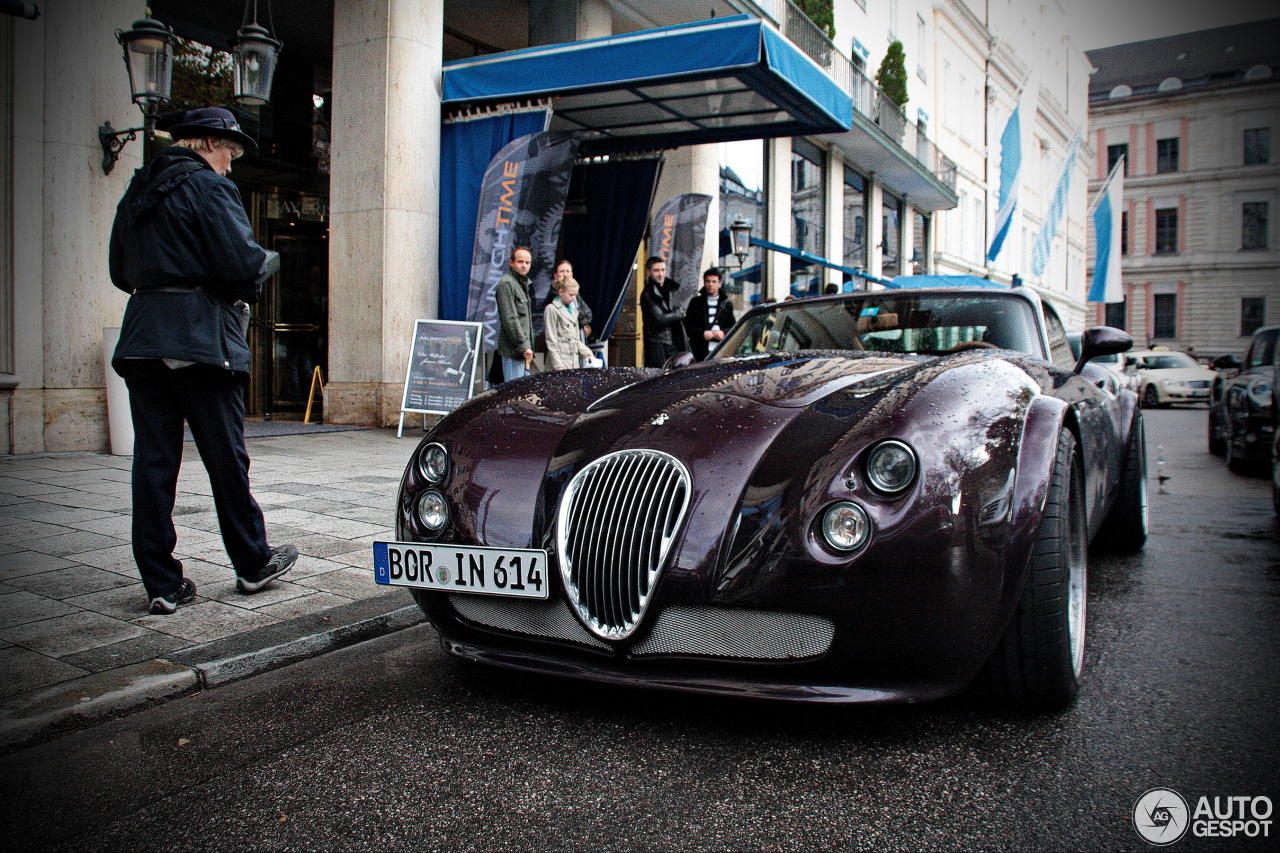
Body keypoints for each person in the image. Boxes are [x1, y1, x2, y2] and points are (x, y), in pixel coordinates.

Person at [108, 106, 297, 615]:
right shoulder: (209, 186)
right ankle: (252, 563)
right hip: (201, 339)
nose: (231, 166)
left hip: (144, 334)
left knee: (152, 462)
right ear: (210, 144)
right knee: (224, 457)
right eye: (230, 155)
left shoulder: (137, 191)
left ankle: (162, 584)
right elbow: (240, 263)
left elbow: (119, 272)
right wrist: (258, 271)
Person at [640, 256, 689, 367]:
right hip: (657, 344)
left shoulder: (670, 290)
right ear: (649, 272)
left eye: (663, 270)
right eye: (656, 270)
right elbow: (659, 318)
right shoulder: (648, 293)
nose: (660, 274)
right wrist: (679, 314)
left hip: (674, 343)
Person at [496, 246, 535, 381]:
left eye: (527, 262)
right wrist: (524, 346)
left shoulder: (521, 283)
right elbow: (510, 318)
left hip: (522, 350)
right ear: (511, 263)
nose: (524, 266)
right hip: (514, 351)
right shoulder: (506, 284)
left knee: (519, 393)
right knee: (514, 394)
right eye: (520, 262)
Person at [543, 278, 599, 370]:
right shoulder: (552, 309)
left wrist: (587, 352)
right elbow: (551, 340)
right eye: (571, 295)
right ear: (561, 291)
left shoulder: (573, 312)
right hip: (560, 360)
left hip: (573, 361)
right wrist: (558, 365)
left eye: (575, 295)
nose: (573, 298)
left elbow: (576, 339)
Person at [684, 267, 736, 361]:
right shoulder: (695, 303)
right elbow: (687, 327)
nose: (710, 284)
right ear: (704, 283)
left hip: (720, 352)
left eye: (714, 281)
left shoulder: (727, 304)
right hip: (699, 353)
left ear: (720, 283)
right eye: (708, 281)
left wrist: (723, 333)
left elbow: (733, 328)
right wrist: (702, 334)